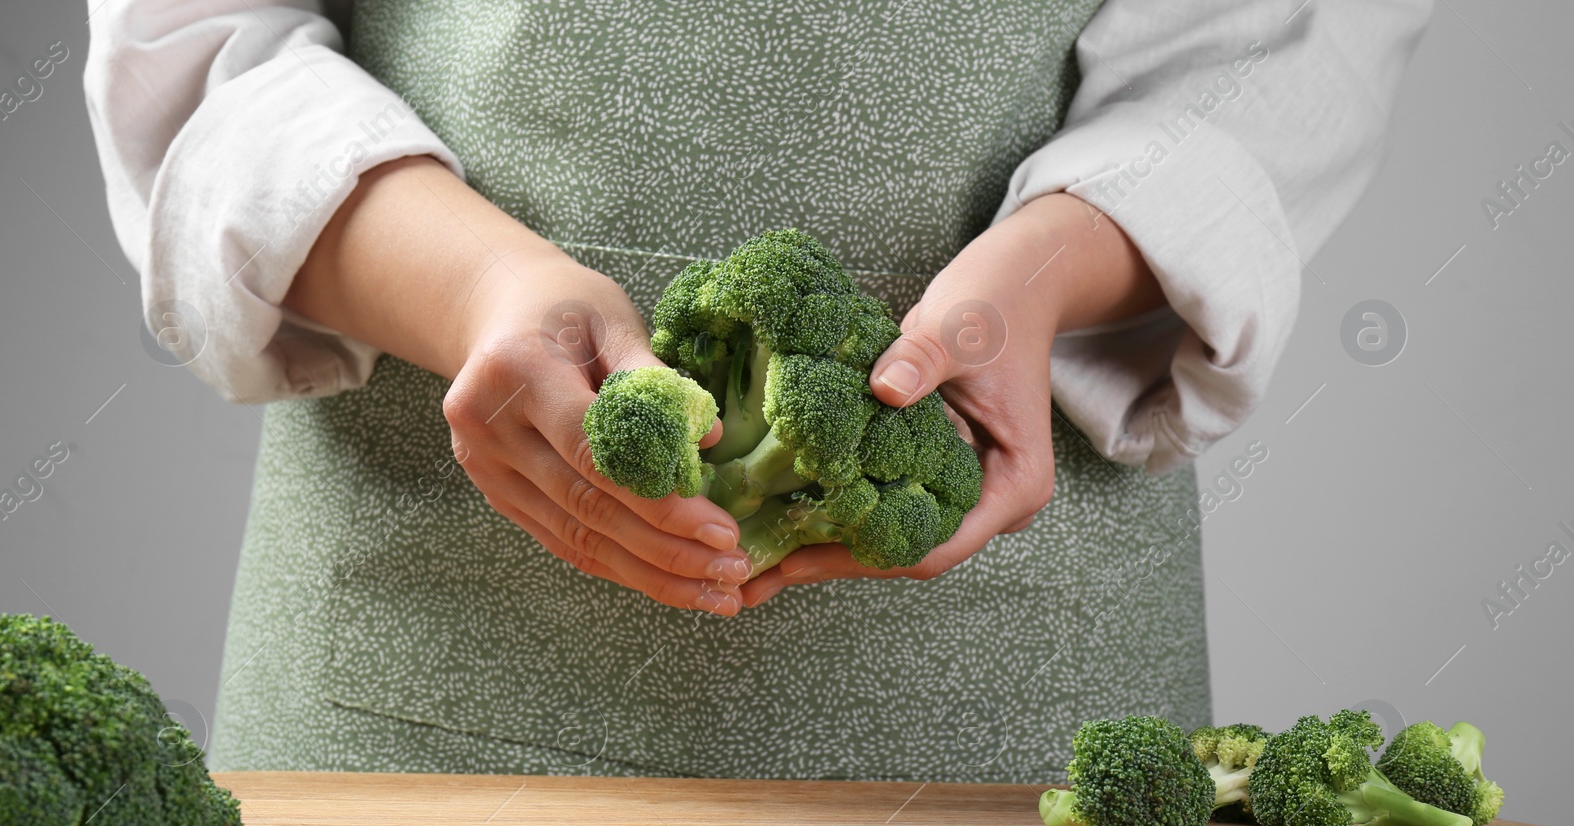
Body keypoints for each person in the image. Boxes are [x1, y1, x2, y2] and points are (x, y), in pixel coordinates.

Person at [85, 0, 1433, 780]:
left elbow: (1285, 44)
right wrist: (472, 291)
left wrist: (1054, 267)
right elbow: (208, 47)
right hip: (409, 692)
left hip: (1012, 708)